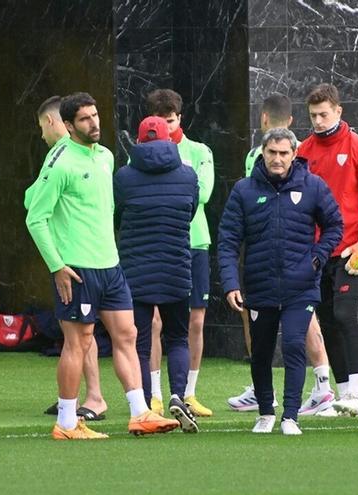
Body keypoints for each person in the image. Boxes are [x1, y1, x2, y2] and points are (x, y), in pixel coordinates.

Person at [25, 92, 179, 439]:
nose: (94, 123)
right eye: (84, 119)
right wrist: (56, 266)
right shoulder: (60, 161)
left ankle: (140, 412)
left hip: (110, 265)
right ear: (67, 125)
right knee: (77, 343)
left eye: (95, 116)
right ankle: (66, 422)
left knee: (127, 334)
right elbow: (36, 218)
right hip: (77, 269)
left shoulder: (107, 157)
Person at [219, 127, 342, 435]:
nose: (277, 159)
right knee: (260, 352)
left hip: (300, 286)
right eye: (272, 153)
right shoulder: (244, 190)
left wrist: (316, 259)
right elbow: (228, 240)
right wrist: (231, 283)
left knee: (293, 345)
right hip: (259, 287)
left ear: (294, 154)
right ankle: (264, 412)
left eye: (283, 153)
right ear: (263, 153)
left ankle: (290, 416)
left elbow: (335, 226)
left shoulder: (313, 186)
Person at [298, 83, 358, 417]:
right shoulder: (303, 150)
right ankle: (341, 393)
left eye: (324, 114)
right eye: (313, 115)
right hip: (317, 250)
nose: (318, 120)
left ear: (338, 111)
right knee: (328, 319)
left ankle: (356, 394)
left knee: (345, 314)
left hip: (350, 248)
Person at [114, 116, 200, 432]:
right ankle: (178, 395)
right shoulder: (188, 176)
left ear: (139, 141)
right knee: (178, 337)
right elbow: (190, 213)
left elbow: (119, 216)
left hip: (135, 270)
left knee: (139, 343)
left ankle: (148, 406)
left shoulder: (124, 177)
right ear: (170, 139)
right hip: (177, 266)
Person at [32, 96, 108, 421]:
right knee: (78, 333)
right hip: (78, 256)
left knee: (83, 333)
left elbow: (30, 204)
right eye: (86, 117)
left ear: (53, 123)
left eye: (41, 127)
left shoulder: (71, 156)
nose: (41, 135)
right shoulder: (70, 156)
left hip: (82, 259)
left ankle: (92, 399)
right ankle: (76, 401)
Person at [145, 89, 214, 417]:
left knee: (195, 320)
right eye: (161, 122)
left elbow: (202, 195)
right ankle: (156, 394)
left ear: (179, 119)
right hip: (158, 242)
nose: (167, 129)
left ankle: (188, 393)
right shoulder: (140, 155)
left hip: (194, 242)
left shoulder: (199, 151)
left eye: (171, 121)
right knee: (156, 321)